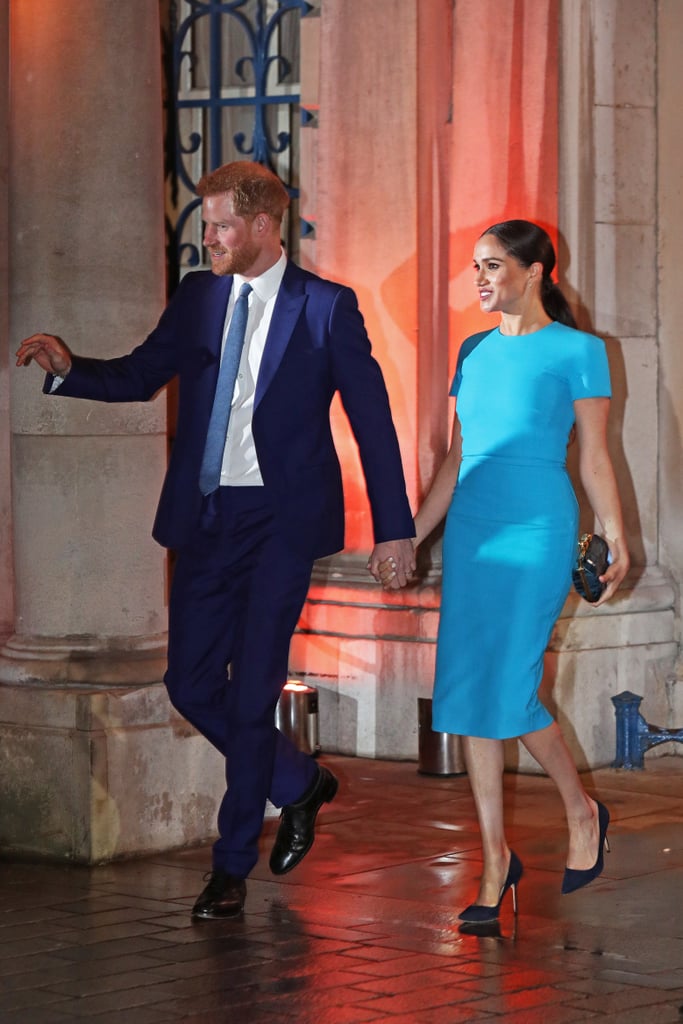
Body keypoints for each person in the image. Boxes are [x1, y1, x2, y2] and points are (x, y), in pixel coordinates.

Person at [16, 160, 416, 919]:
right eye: (206, 226)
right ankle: (299, 784)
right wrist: (72, 371)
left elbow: (371, 424)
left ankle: (231, 865)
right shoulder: (200, 298)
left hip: (281, 524)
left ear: (263, 226)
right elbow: (142, 374)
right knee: (191, 684)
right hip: (205, 517)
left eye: (220, 226)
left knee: (255, 686)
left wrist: (394, 530)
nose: (208, 239)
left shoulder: (326, 308)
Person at [380, 219, 629, 925]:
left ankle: (581, 811)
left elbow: (594, 456)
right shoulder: (473, 351)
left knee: (510, 685)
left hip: (537, 530)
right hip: (472, 536)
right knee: (466, 693)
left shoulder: (580, 351)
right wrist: (407, 536)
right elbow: (455, 461)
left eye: (492, 265)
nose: (480, 278)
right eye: (474, 267)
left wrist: (613, 533)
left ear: (535, 271)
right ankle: (494, 861)